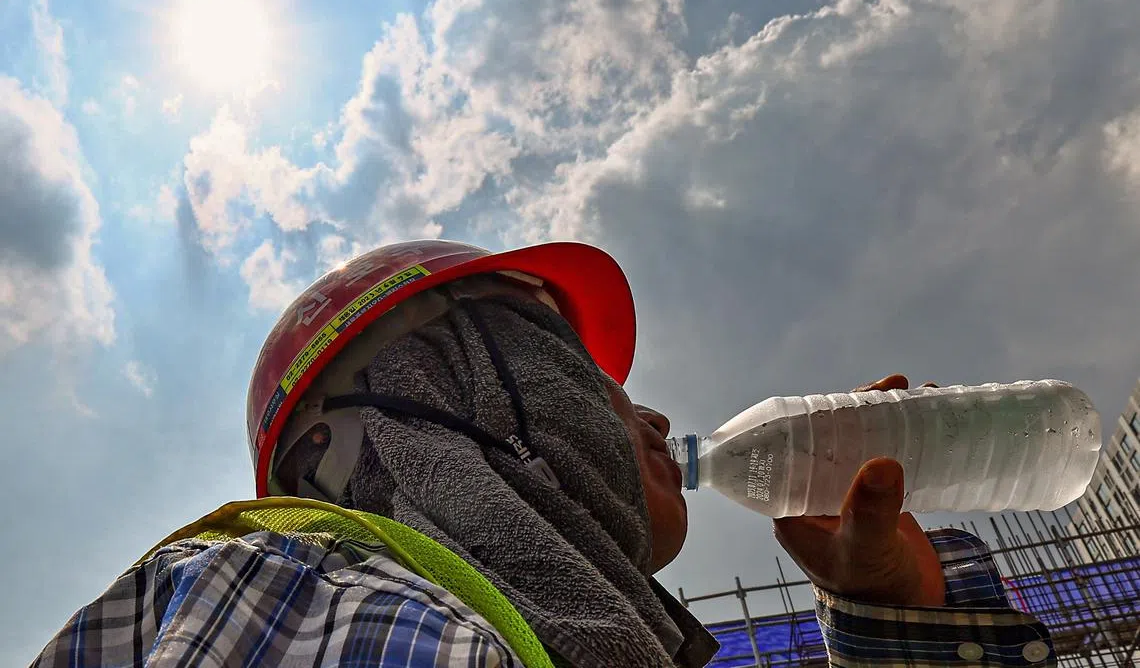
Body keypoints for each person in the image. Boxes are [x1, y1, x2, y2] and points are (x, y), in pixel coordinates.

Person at [31, 240, 1056, 667]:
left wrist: (903, 619)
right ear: (451, 389)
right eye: (584, 377)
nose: (650, 420)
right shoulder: (304, 598)